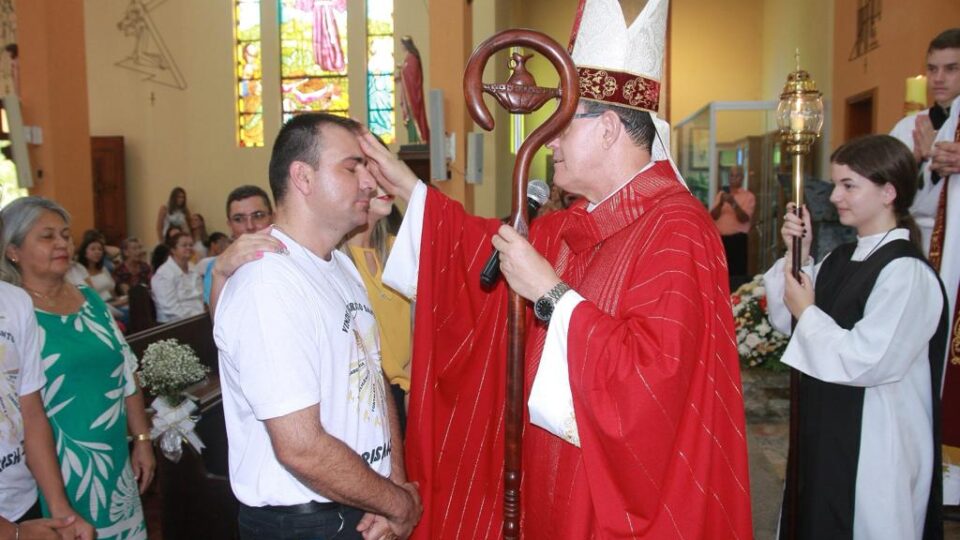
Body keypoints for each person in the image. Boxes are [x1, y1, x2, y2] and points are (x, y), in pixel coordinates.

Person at [369, 1, 752, 537]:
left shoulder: (677, 230)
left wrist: (550, 294)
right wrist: (414, 193)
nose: (547, 140)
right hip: (552, 482)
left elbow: (654, 381)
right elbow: (480, 253)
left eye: (564, 124)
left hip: (622, 500)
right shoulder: (571, 225)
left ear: (611, 128)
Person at [213, 113, 421, 539]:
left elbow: (375, 377)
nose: (369, 182)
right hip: (305, 522)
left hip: (364, 505)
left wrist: (393, 485)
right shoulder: (268, 283)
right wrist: (399, 504)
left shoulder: (340, 266)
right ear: (303, 178)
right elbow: (301, 447)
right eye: (352, 167)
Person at [764, 135, 946, 539]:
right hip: (828, 427)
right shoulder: (840, 259)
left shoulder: (906, 273)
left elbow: (868, 359)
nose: (835, 197)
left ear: (888, 192)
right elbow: (787, 320)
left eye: (849, 185)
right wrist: (801, 254)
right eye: (835, 185)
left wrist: (808, 312)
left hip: (878, 439)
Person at [0, 196, 155, 539]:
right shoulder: (12, 315)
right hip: (55, 465)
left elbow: (125, 370)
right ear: (13, 250)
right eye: (47, 236)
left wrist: (142, 438)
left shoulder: (90, 298)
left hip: (112, 456)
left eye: (66, 235)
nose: (62, 243)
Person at [890, 28, 960, 506]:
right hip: (921, 254)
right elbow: (889, 193)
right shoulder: (907, 127)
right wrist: (914, 161)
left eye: (951, 69)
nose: (939, 78)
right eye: (932, 68)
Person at [0, 281, 95, 540]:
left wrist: (61, 511)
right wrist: (13, 534)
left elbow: (30, 412)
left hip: (19, 498)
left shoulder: (14, 301)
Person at [341, 187, 412, 434]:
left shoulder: (398, 249)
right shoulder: (335, 260)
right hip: (366, 402)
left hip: (409, 395)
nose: (386, 186)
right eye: (374, 177)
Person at [204, 185, 276, 306]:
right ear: (230, 225)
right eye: (239, 219)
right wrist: (219, 274)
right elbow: (217, 320)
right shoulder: (218, 266)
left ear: (273, 217)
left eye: (258, 216)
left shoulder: (291, 253)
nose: (250, 226)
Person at [710, 165, 756, 279]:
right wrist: (721, 203)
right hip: (720, 240)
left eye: (737, 176)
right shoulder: (721, 195)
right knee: (719, 273)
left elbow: (744, 219)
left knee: (736, 275)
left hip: (737, 241)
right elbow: (713, 217)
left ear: (742, 178)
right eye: (731, 175)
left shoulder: (749, 196)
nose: (733, 178)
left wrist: (733, 203)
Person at [151, 231, 204, 323]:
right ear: (173, 249)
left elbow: (200, 298)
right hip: (174, 324)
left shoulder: (193, 268)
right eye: (184, 245)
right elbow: (171, 309)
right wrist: (195, 320)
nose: (189, 248)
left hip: (198, 318)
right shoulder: (164, 274)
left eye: (191, 245)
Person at [74, 234, 128, 319]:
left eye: (100, 249)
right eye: (93, 249)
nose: (97, 252)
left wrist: (120, 300)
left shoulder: (103, 268)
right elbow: (93, 300)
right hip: (101, 307)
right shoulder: (79, 271)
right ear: (84, 252)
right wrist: (118, 303)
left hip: (113, 302)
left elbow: (112, 292)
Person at [398, 36, 429, 144]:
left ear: (407, 44)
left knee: (414, 116)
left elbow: (413, 76)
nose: (401, 46)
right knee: (410, 118)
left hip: (413, 96)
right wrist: (401, 72)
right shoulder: (408, 58)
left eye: (402, 44)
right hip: (409, 96)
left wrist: (402, 71)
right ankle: (413, 140)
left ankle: (418, 139)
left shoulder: (412, 58)